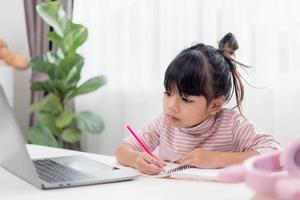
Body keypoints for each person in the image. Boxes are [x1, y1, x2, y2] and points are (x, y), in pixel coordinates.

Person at [116, 33, 281, 175]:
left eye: (186, 99)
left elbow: (276, 153)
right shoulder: (164, 123)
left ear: (215, 105)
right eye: (168, 93)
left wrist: (218, 158)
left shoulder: (231, 125)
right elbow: (122, 150)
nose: (171, 106)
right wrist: (136, 159)